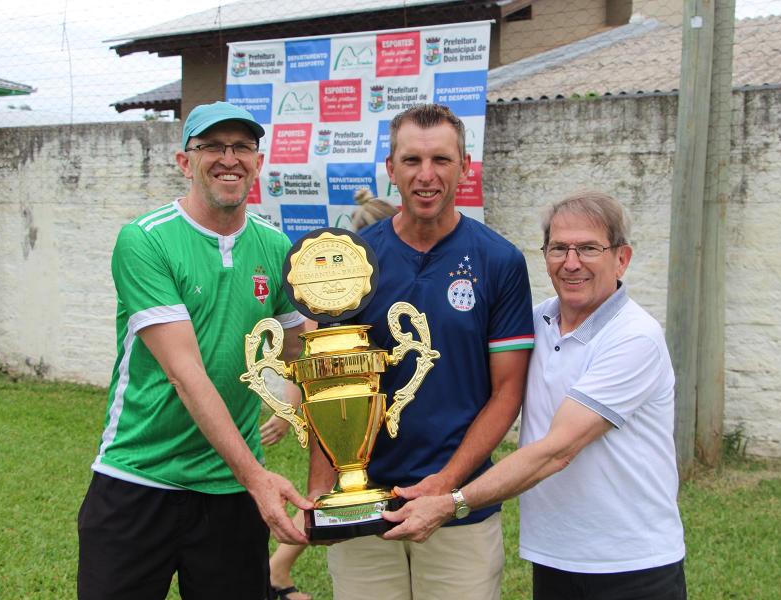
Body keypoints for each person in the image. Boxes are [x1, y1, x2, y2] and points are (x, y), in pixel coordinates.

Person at [384, 191, 687, 600]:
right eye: (559, 248)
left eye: (589, 248)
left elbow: (556, 451)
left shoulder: (634, 337)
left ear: (622, 259)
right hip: (555, 557)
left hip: (630, 563)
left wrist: (452, 501)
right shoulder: (538, 321)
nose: (571, 262)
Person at [77, 101, 312, 600]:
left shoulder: (275, 247)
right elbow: (186, 374)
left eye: (242, 147)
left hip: (230, 491)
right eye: (213, 147)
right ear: (186, 162)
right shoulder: (145, 240)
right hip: (140, 477)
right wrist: (257, 478)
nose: (230, 158)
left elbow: (299, 347)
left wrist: (296, 390)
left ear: (258, 161)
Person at [308, 103, 535, 600]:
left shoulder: (500, 261)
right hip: (363, 505)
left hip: (458, 508)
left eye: (441, 160)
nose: (426, 176)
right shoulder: (352, 262)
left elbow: (507, 391)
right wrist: (319, 489)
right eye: (411, 161)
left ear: (464, 167)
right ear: (391, 169)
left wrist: (446, 484)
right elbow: (326, 383)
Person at [261, 188, 397, 600]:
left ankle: (276, 571)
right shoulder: (334, 295)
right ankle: (275, 572)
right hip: (345, 414)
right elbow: (311, 358)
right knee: (332, 493)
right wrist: (291, 409)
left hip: (376, 405)